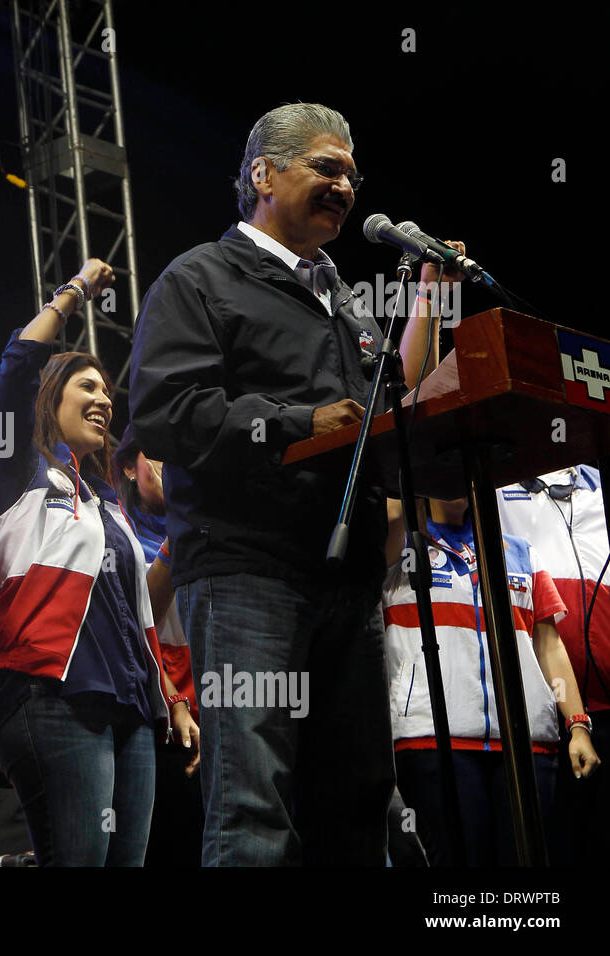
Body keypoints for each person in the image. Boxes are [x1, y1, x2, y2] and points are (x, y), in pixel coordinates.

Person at [128, 102, 461, 865]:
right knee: (254, 810)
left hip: (345, 580)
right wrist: (292, 423)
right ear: (263, 173)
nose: (346, 185)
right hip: (249, 572)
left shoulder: (340, 297)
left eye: (353, 173)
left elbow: (392, 402)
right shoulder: (201, 279)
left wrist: (435, 295)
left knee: (358, 803)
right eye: (327, 167)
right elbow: (166, 415)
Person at [0, 257, 197, 866]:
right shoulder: (15, 473)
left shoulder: (105, 506)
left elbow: (134, 613)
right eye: (87, 387)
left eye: (107, 391)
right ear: (51, 398)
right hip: (52, 698)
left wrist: (171, 697)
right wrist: (74, 292)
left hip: (132, 706)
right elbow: (16, 367)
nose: (104, 400)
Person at [383, 495, 601, 864]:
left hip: (525, 744)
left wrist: (577, 725)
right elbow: (390, 512)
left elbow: (548, 643)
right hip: (432, 740)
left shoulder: (518, 552)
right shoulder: (399, 548)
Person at [496, 466, 610, 862]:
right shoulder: (495, 482)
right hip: (537, 716)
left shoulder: (598, 483)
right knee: (555, 846)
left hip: (605, 707)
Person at [109, 427, 203, 866]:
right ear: (130, 467)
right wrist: (175, 700)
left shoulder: (208, 529)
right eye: (157, 455)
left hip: (209, 717)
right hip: (154, 718)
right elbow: (136, 620)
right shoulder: (116, 533)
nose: (169, 466)